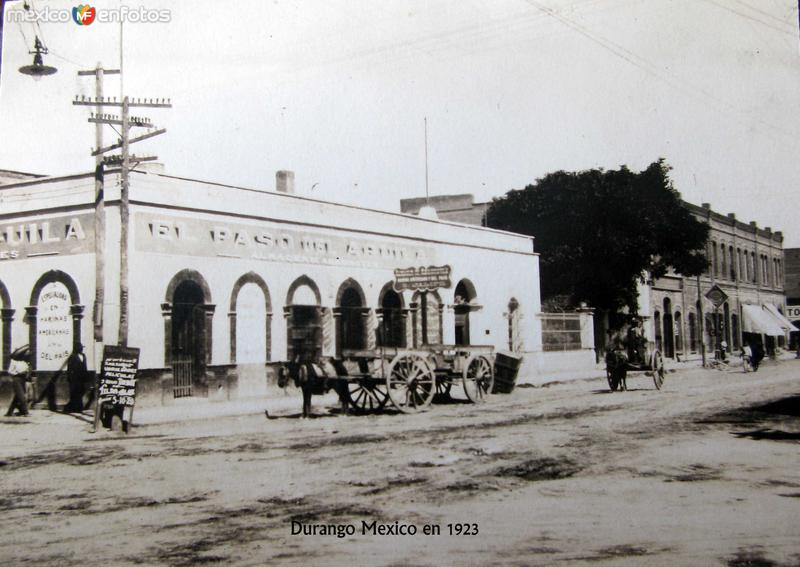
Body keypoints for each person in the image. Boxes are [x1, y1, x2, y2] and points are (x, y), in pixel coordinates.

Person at [63, 344, 89, 413]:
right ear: (77, 349)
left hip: (82, 379)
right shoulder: (72, 357)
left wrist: (86, 378)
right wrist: (70, 378)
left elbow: (85, 367)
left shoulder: (84, 356)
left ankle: (78, 408)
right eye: (80, 348)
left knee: (81, 392)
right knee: (74, 394)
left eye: (82, 348)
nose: (81, 349)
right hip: (74, 379)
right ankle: (76, 408)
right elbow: (69, 368)